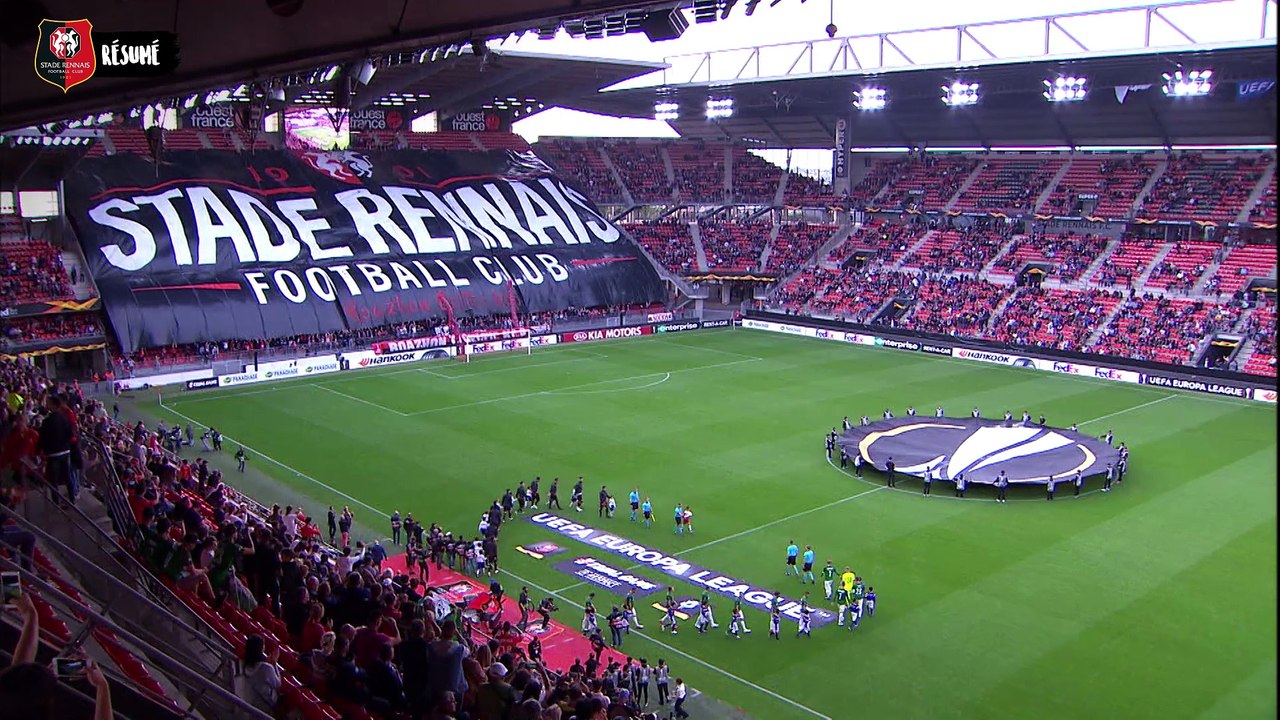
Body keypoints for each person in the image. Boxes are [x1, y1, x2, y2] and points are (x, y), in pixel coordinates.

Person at [237, 634, 281, 713]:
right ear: (261, 648)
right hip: (265, 703)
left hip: (250, 699)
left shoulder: (245, 663)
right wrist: (274, 664)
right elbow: (278, 684)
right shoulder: (266, 668)